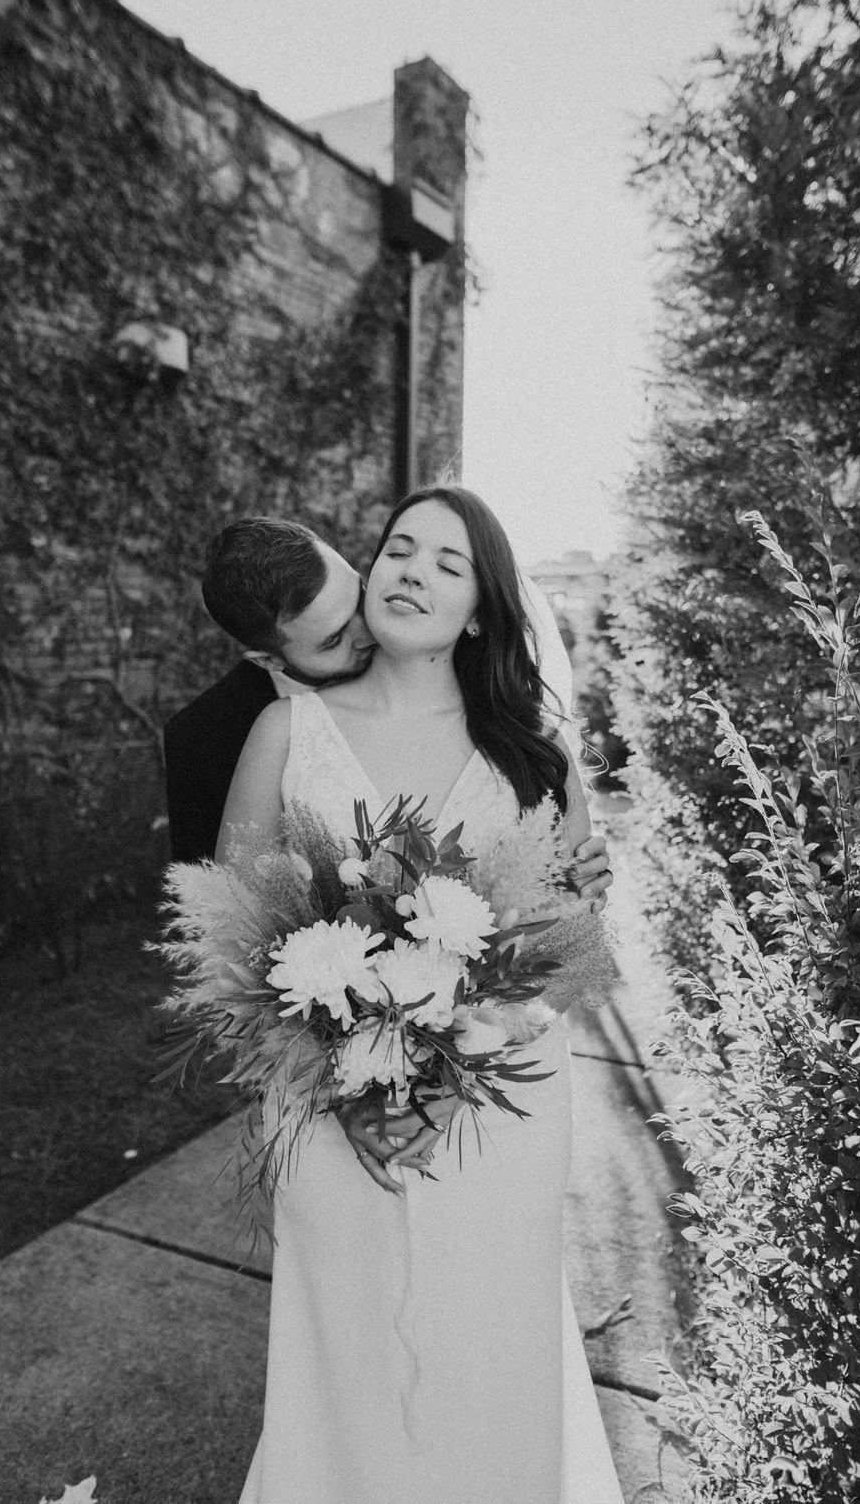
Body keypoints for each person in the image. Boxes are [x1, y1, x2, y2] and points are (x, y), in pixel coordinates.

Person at [219, 487, 625, 1504]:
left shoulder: (530, 757)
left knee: (489, 1363)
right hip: (327, 1121)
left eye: (448, 563)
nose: (412, 570)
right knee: (346, 1369)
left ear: (480, 607)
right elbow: (227, 951)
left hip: (497, 1119)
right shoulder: (286, 731)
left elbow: (574, 961)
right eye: (400, 547)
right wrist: (350, 1081)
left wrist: (449, 1083)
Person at [164, 511, 613, 899]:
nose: (366, 632)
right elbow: (221, 922)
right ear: (268, 659)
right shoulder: (207, 738)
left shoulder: (516, 730)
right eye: (334, 640)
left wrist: (579, 878)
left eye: (358, 597)